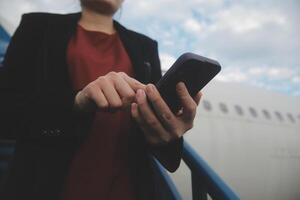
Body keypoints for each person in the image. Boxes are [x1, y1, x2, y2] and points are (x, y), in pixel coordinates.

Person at [0, 0, 202, 199]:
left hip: (127, 189)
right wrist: (77, 102)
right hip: (45, 186)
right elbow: (7, 113)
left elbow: (156, 139)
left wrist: (169, 134)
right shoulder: (37, 26)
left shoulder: (145, 46)